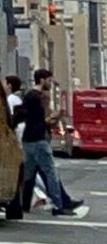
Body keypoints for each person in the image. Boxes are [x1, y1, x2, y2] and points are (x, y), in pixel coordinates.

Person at [15, 71, 83, 216]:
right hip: (39, 140)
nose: (50, 84)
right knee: (50, 173)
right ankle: (59, 205)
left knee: (29, 175)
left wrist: (55, 118)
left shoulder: (28, 96)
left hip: (28, 140)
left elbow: (34, 119)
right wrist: (57, 116)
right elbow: (44, 121)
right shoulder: (40, 97)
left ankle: (23, 204)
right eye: (49, 80)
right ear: (42, 80)